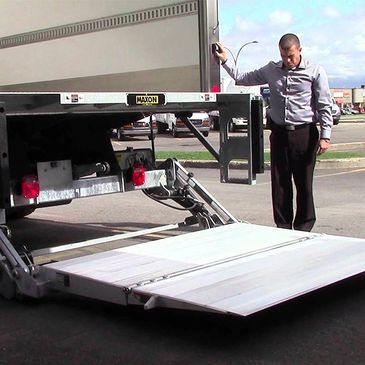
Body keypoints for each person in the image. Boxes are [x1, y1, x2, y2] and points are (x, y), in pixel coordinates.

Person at [215, 33, 333, 232]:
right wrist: (225, 60)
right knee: (280, 183)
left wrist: (325, 136)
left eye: (292, 56)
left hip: (305, 134)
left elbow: (324, 104)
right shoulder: (271, 70)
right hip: (279, 134)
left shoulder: (315, 71)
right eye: (284, 56)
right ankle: (283, 226)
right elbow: (243, 78)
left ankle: (304, 226)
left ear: (300, 50)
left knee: (304, 184)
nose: (288, 61)